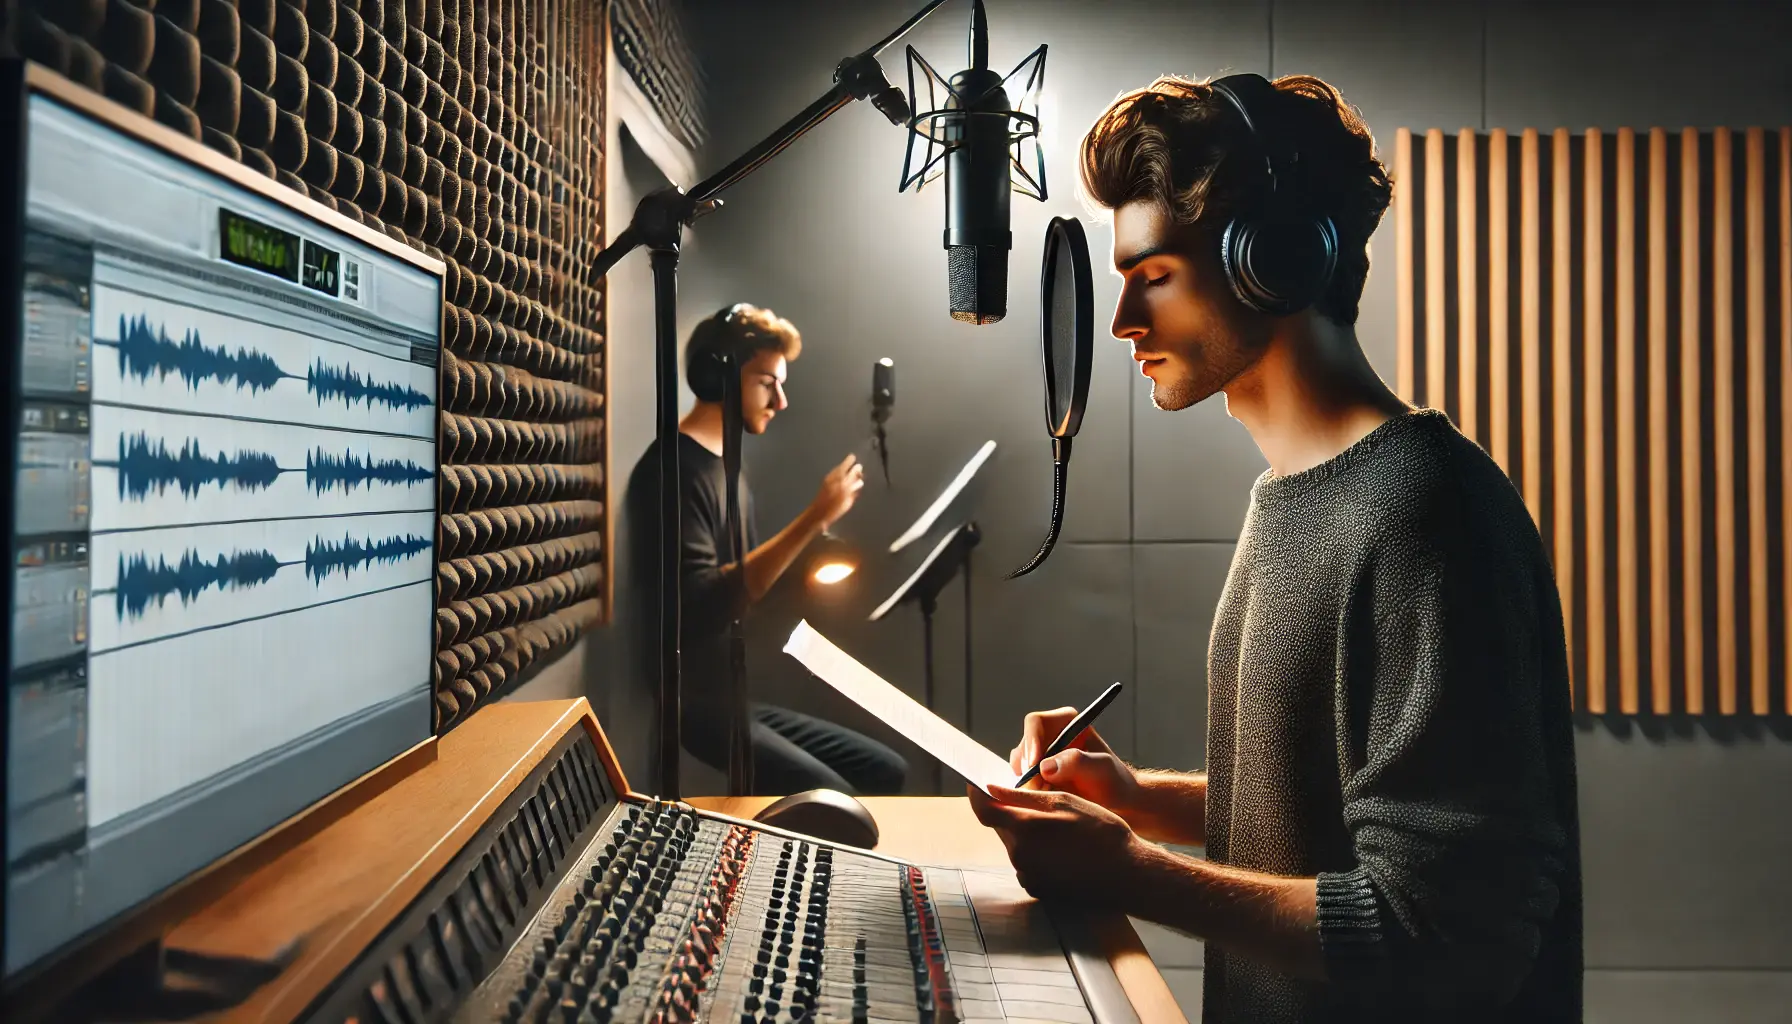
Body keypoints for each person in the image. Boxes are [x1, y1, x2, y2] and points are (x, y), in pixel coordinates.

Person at [970, 74, 1582, 1022]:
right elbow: (1326, 814)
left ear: (1278, 262)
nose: (1127, 321)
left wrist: (1132, 875)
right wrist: (1139, 799)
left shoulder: (1428, 513)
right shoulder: (1293, 498)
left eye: (1157, 277)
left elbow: (1454, 928)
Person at [625, 303, 907, 797]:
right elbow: (702, 605)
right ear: (717, 377)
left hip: (736, 698)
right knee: (832, 796)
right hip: (696, 707)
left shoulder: (730, 470)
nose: (780, 401)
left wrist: (814, 555)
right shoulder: (671, 469)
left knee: (886, 769)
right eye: (765, 382)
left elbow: (744, 591)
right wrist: (812, 518)